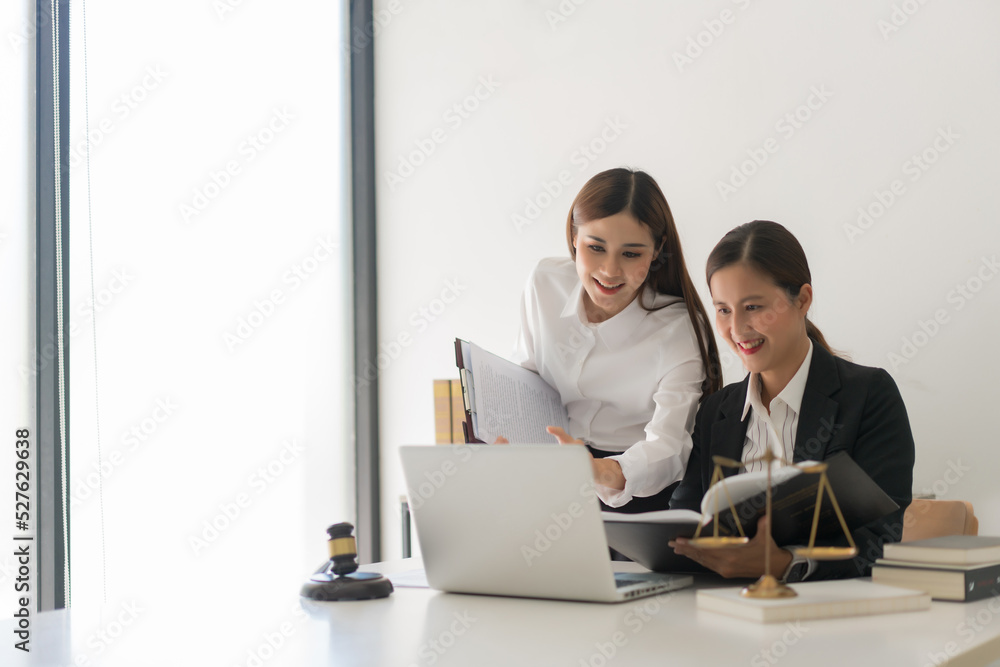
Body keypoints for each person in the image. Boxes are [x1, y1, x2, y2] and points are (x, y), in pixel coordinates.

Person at [669, 220, 914, 581]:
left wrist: (785, 563)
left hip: (828, 615)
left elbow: (881, 541)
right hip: (725, 608)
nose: (736, 329)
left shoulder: (869, 396)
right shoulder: (716, 412)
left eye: (753, 307)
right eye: (723, 310)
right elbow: (686, 520)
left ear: (802, 300)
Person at [507, 167, 721, 511]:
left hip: (638, 488)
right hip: (552, 470)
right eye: (596, 247)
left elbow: (668, 447)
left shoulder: (678, 328)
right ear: (574, 237)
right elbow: (527, 378)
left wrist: (598, 470)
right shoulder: (544, 283)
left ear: (656, 251)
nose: (609, 270)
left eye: (631, 254)